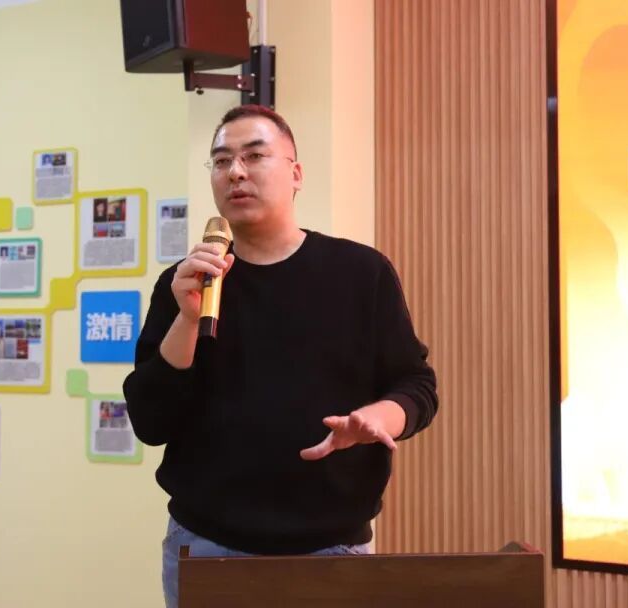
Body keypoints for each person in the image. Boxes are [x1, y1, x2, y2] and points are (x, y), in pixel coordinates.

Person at [122, 104, 438, 608]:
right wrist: (187, 318)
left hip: (331, 547)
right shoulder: (185, 283)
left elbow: (416, 383)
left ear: (296, 174)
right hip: (205, 544)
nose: (235, 172)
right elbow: (150, 421)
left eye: (254, 156)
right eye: (221, 161)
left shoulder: (360, 272)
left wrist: (380, 418)